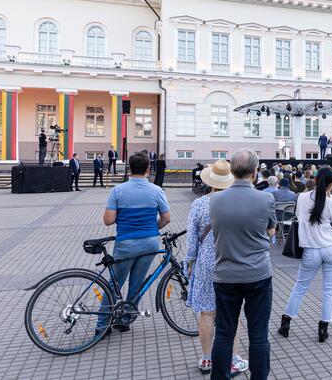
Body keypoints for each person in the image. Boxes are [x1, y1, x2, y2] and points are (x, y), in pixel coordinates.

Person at [209, 149, 276, 380]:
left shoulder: (215, 199)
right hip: (257, 274)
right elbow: (270, 228)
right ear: (255, 171)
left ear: (231, 171)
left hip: (225, 275)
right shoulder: (266, 198)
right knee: (258, 334)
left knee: (224, 334)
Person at [184, 160, 249, 376]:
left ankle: (206, 358)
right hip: (231, 260)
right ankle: (231, 359)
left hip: (205, 262)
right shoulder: (238, 203)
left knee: (207, 312)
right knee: (232, 313)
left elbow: (192, 239)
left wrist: (190, 262)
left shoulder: (200, 204)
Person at [97, 152, 171, 334]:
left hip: (126, 244)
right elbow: (166, 218)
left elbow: (108, 221)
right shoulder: (156, 190)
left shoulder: (118, 191)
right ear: (148, 169)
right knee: (137, 284)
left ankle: (102, 325)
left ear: (129, 168)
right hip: (150, 243)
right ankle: (124, 320)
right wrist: (153, 228)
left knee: (114, 284)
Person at [278, 166, 332, 343]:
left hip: (311, 249)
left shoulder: (302, 198)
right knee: (330, 289)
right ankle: (323, 327)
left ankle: (286, 320)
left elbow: (299, 217)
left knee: (300, 286)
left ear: (315, 180)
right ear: (331, 184)